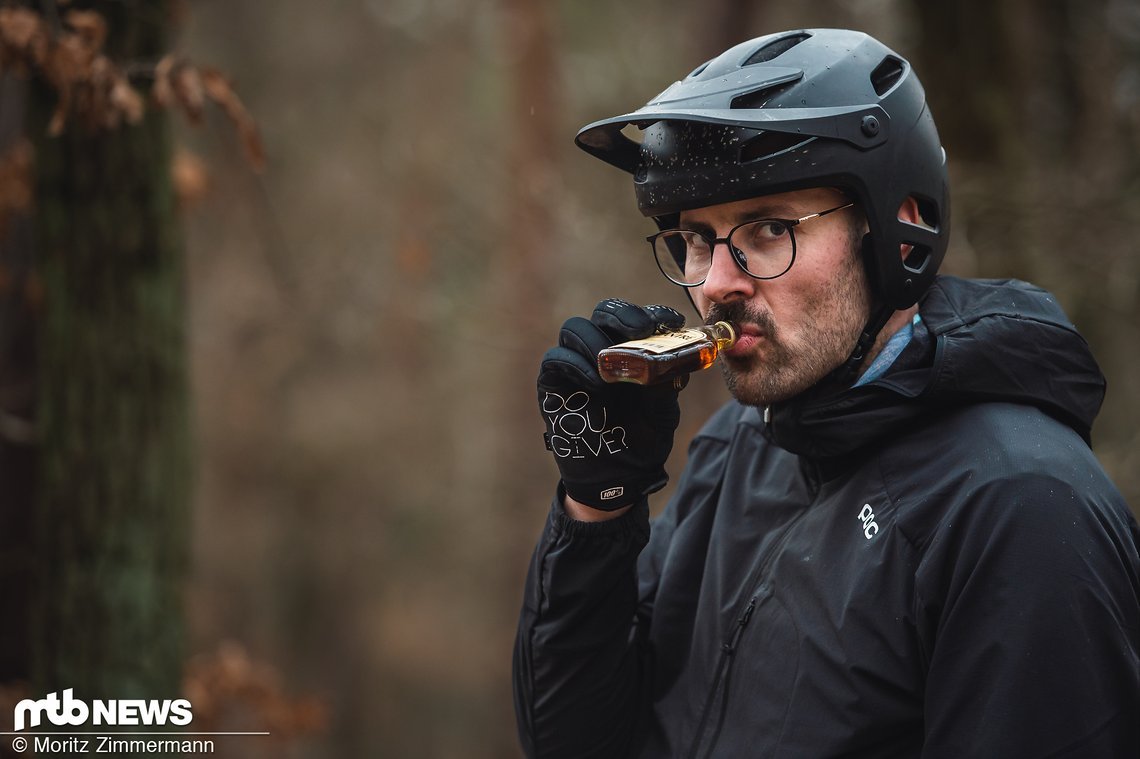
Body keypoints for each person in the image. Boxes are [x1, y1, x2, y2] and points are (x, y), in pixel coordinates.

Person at [512, 28, 1140, 759]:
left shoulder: (1019, 507)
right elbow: (579, 741)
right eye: (694, 237)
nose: (714, 281)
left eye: (770, 230)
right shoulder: (742, 448)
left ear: (899, 231)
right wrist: (599, 504)